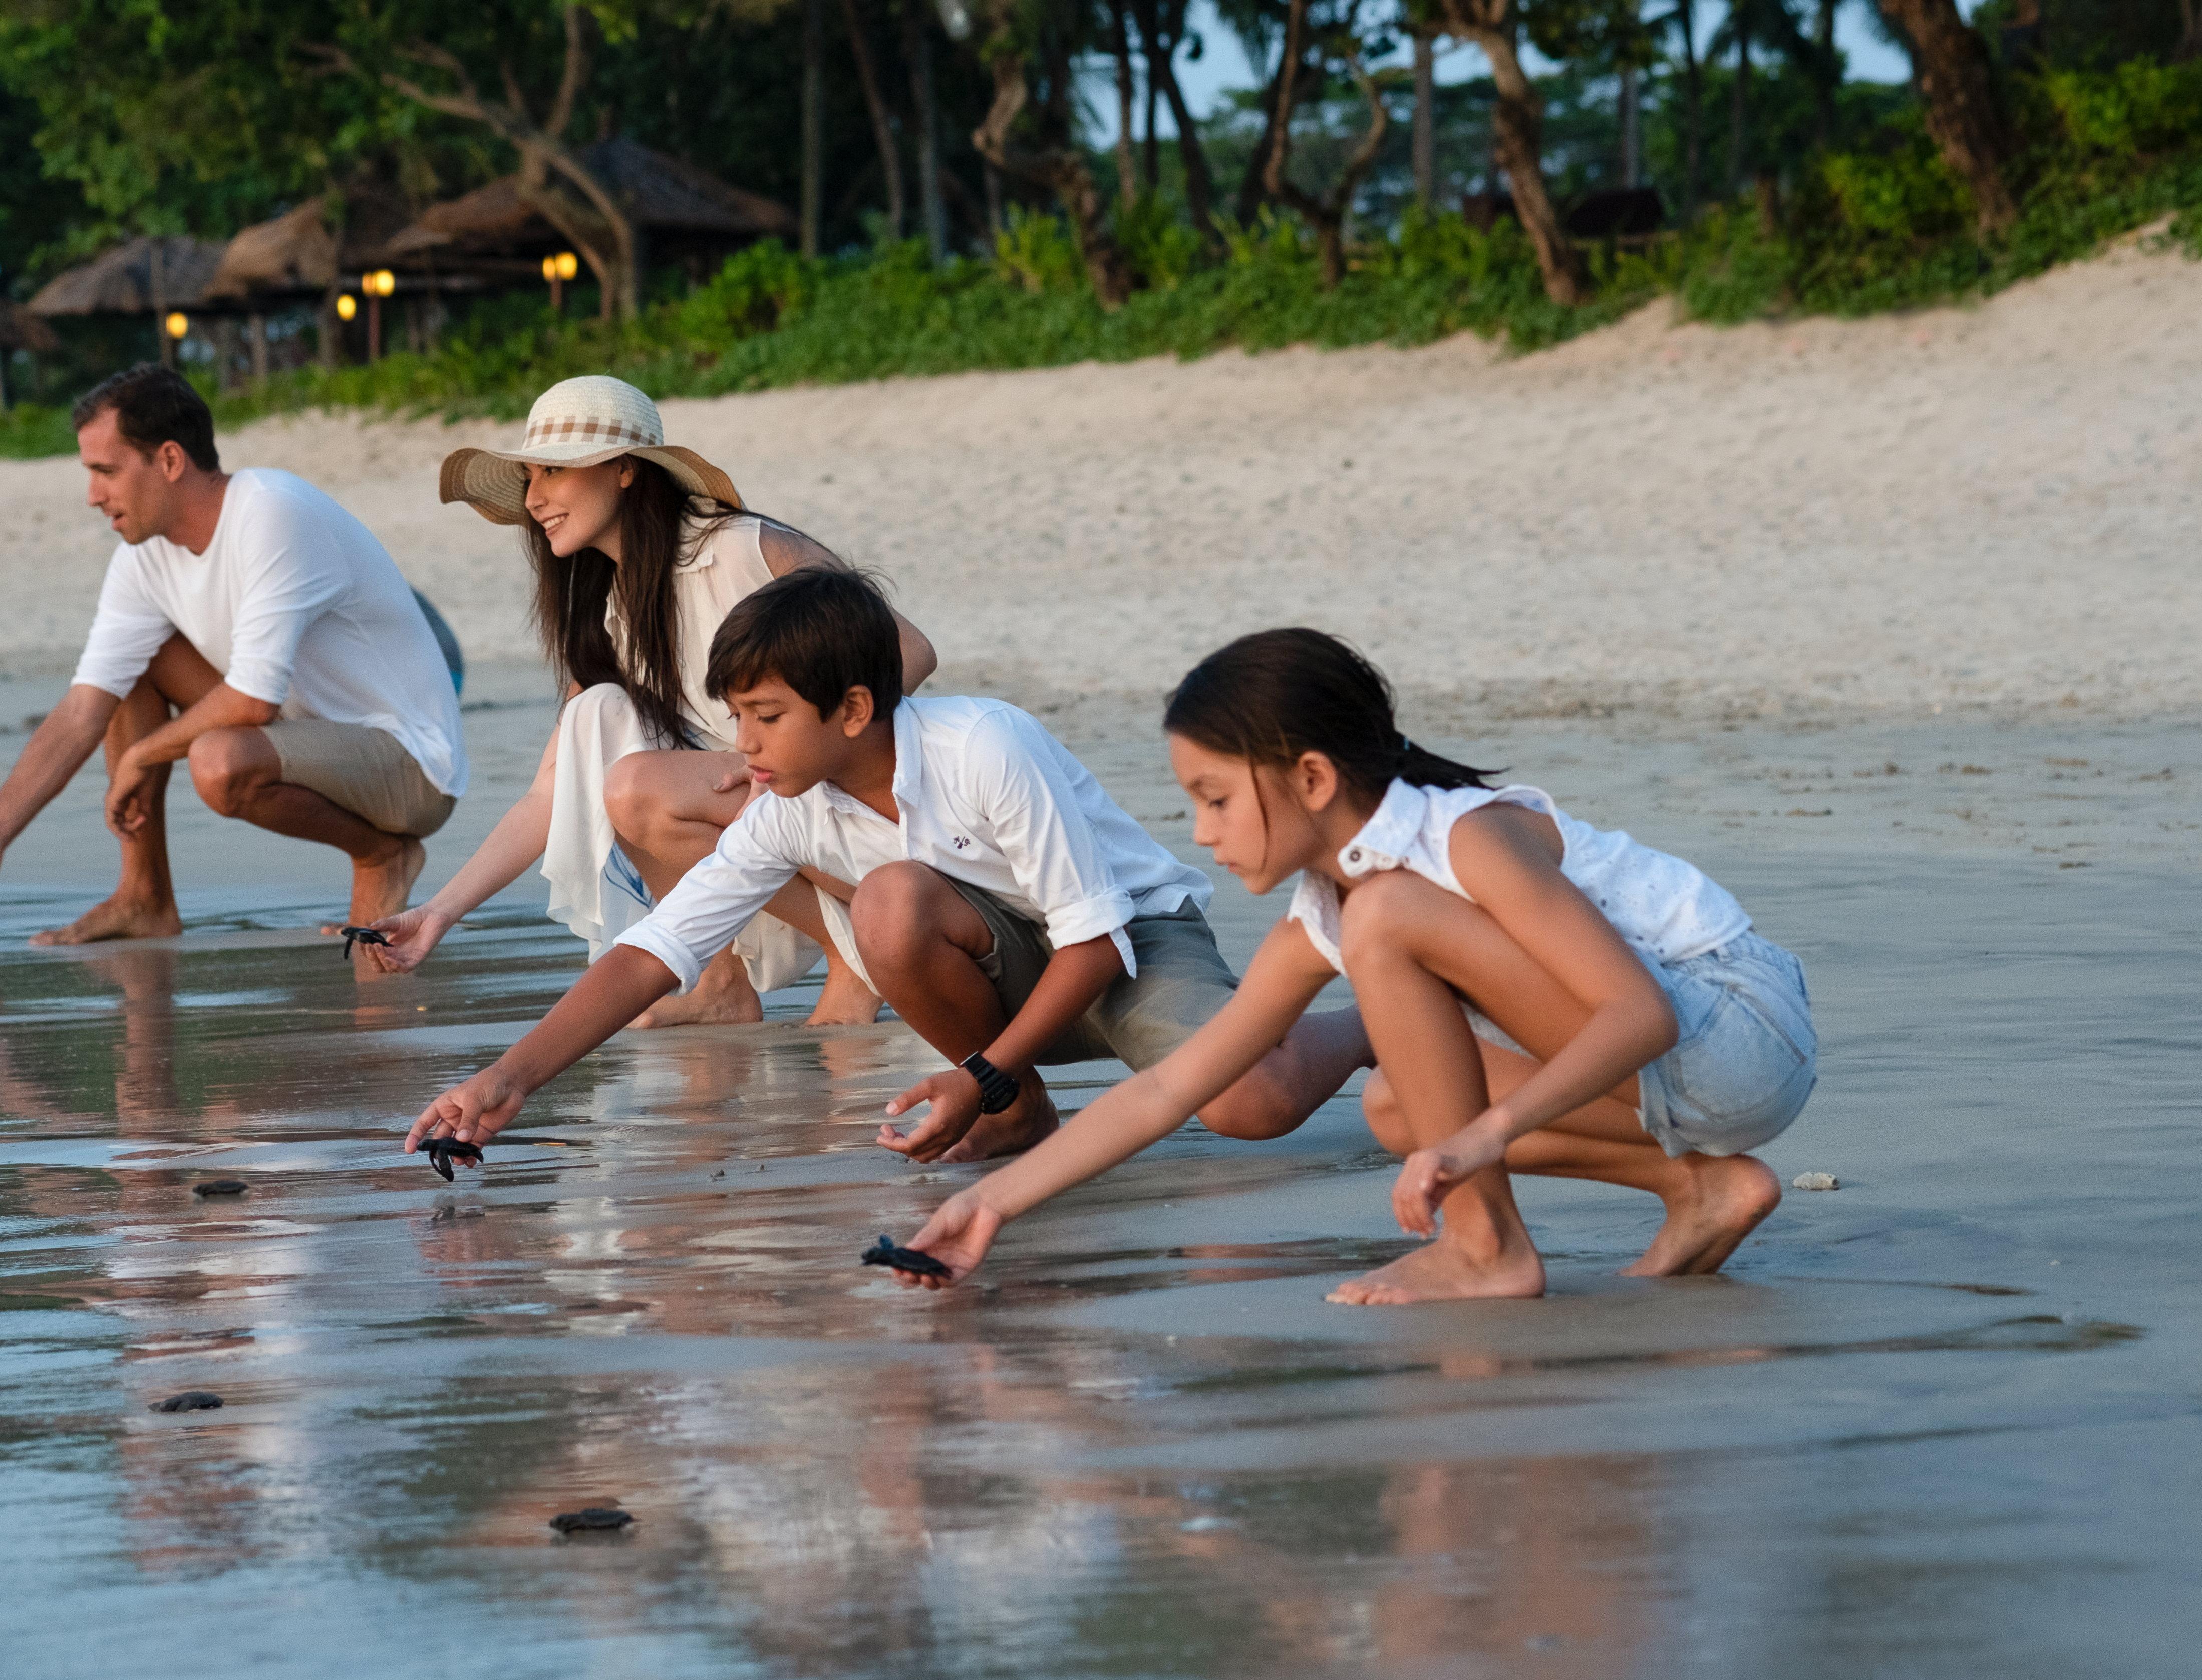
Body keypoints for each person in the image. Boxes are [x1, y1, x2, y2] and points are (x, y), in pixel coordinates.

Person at [889, 629, 1819, 1304]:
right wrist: (991, 1203)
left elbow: (1637, 1015)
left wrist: (1481, 1138)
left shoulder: (1460, 840)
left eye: (1215, 799)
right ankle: (1700, 1188)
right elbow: (1173, 1085)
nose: (1201, 832)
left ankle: (1485, 1246)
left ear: (1312, 779)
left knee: (1398, 958)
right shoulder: (1332, 911)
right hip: (1677, 1079)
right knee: (1398, 1104)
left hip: (1732, 1030)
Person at [404, 571, 1366, 1166]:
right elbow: (659, 948)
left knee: (1254, 1105)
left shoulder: (984, 744)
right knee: (890, 906)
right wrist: (505, 1079)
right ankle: (1018, 1110)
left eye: (766, 716)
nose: (741, 746)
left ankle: (1365, 1021)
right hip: (1006, 967)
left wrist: (977, 1069)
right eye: (735, 714)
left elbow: (1095, 940)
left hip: (1127, 939)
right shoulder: (783, 804)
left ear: (854, 708)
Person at [361, 374, 937, 1028]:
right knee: (597, 722)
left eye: (553, 470)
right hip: (768, 832)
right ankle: (719, 980)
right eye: (528, 477)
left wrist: (784, 755)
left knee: (639, 786)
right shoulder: (619, 613)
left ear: (626, 471)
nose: (536, 497)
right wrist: (441, 912)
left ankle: (851, 957)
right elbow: (552, 792)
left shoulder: (738, 546)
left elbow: (910, 650)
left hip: (864, 824)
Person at [0, 365, 467, 953]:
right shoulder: (144, 558)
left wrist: (141, 755)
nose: (92, 496)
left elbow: (253, 699)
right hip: (309, 735)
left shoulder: (271, 511)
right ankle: (144, 898)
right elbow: (86, 706)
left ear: (168, 460)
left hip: (410, 763)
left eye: (105, 471)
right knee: (129, 670)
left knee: (217, 761)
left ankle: (381, 853)